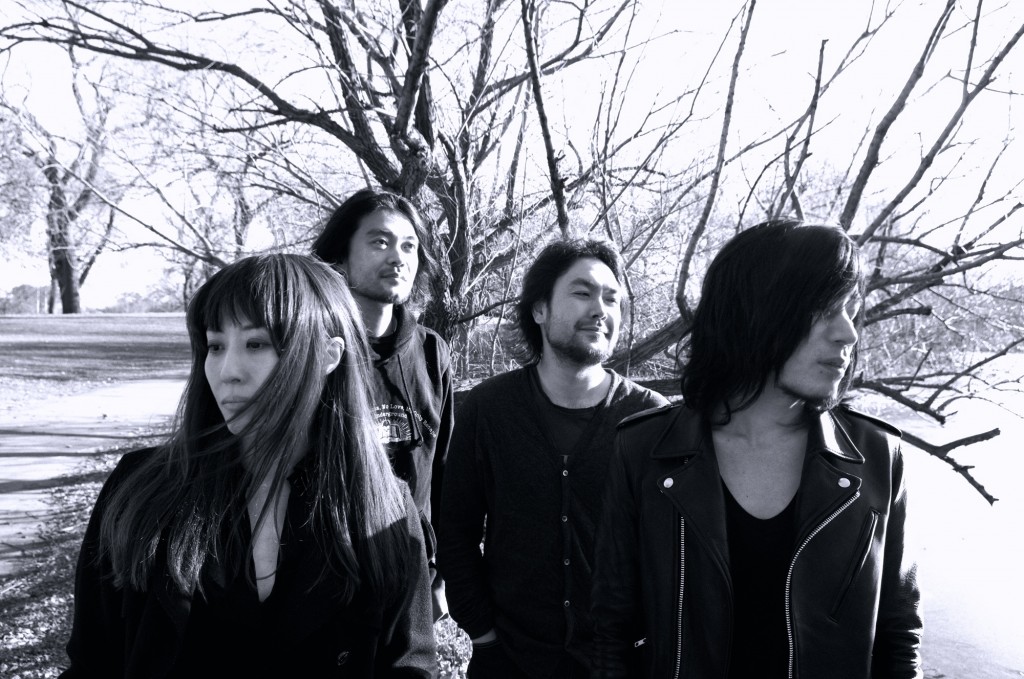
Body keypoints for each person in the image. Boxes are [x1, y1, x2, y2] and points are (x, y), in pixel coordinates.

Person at [61, 254, 437, 678]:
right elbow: (91, 663)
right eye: (215, 345)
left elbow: (410, 667)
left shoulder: (385, 509)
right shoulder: (141, 488)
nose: (227, 372)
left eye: (256, 344)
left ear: (328, 356)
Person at [591, 221, 923, 678]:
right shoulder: (644, 450)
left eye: (850, 310)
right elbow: (610, 633)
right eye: (826, 309)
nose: (848, 334)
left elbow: (899, 638)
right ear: (755, 309)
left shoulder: (878, 457)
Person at [437, 238, 670, 678]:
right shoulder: (490, 410)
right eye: (582, 293)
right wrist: (483, 635)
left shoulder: (649, 418)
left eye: (612, 298)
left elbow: (671, 550)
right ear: (539, 309)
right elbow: (455, 533)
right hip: (509, 660)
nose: (600, 309)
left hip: (621, 664)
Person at [312, 188, 454, 621]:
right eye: (380, 242)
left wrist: (440, 575)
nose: (399, 258)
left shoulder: (432, 352)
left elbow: (446, 472)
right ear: (340, 257)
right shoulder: (311, 349)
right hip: (323, 581)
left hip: (410, 575)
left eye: (409, 246)